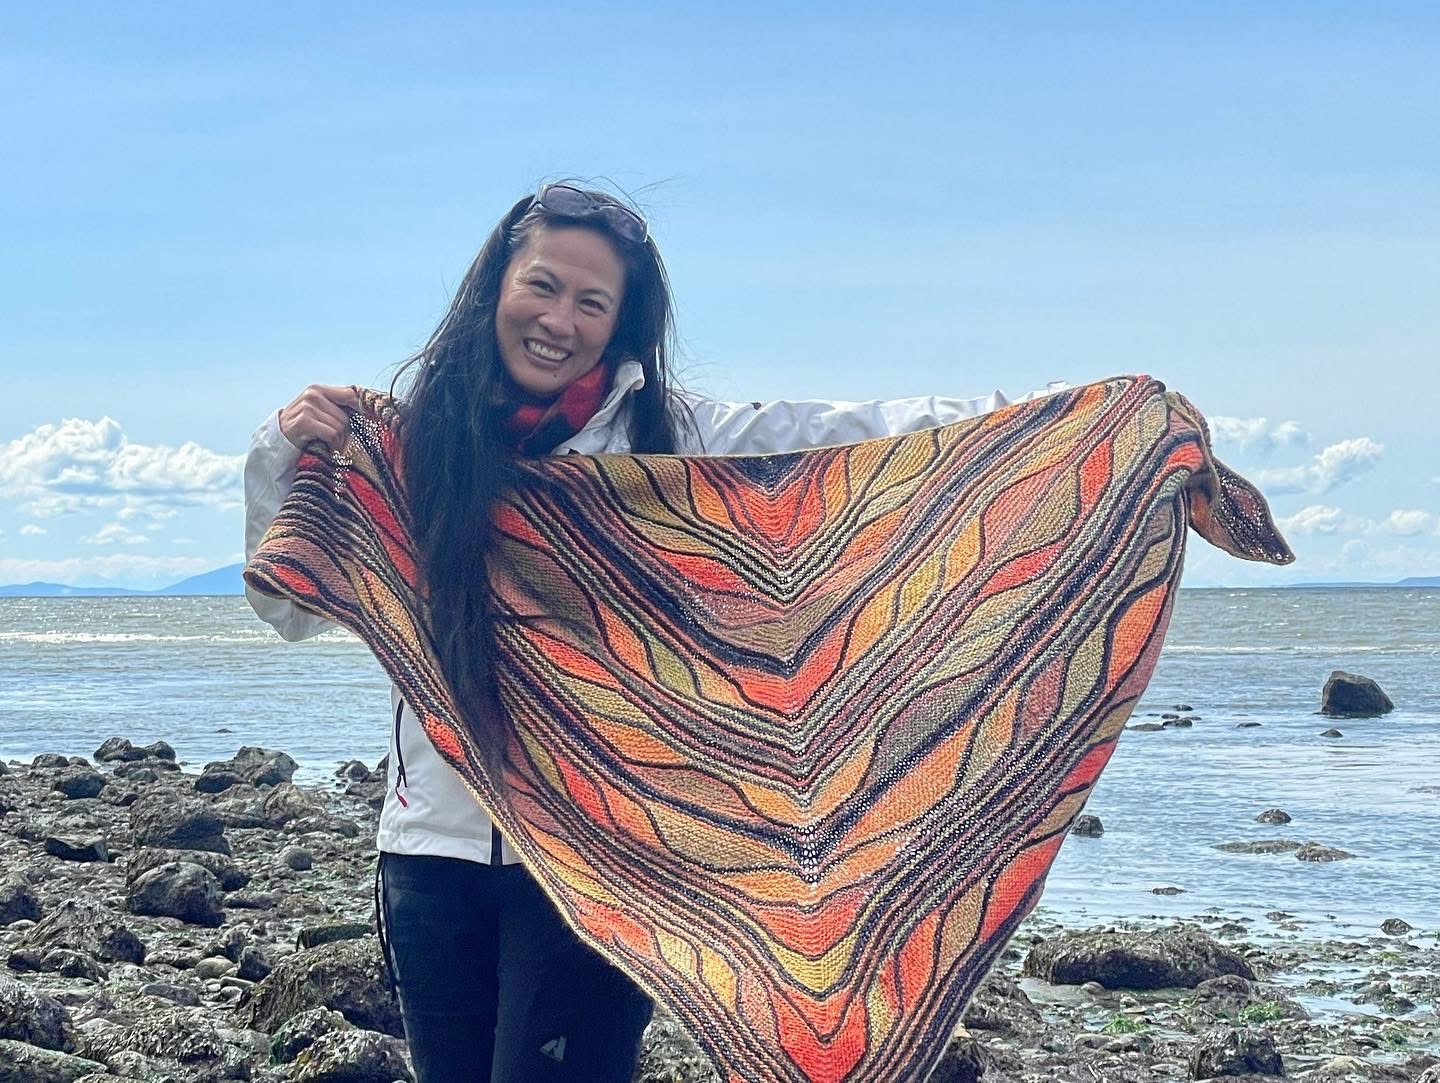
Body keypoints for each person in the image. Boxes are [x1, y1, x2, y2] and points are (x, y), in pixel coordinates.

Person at [244, 182, 1062, 1083]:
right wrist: (281, 455)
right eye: (543, 287)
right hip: (431, 853)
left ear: (623, 324)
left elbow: (850, 446)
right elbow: (289, 609)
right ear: (495, 289)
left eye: (593, 302)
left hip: (607, 858)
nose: (560, 319)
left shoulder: (668, 442)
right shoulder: (408, 445)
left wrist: (1055, 418)